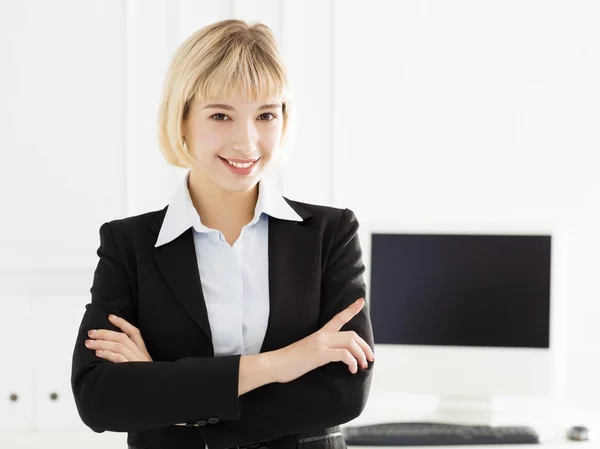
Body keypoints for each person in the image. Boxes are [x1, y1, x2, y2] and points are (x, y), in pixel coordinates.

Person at [70, 19, 375, 449]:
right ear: (182, 121)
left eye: (266, 115)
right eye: (220, 115)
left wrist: (170, 399)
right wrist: (282, 363)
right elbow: (99, 398)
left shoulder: (331, 235)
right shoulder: (130, 245)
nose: (247, 142)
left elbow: (344, 392)